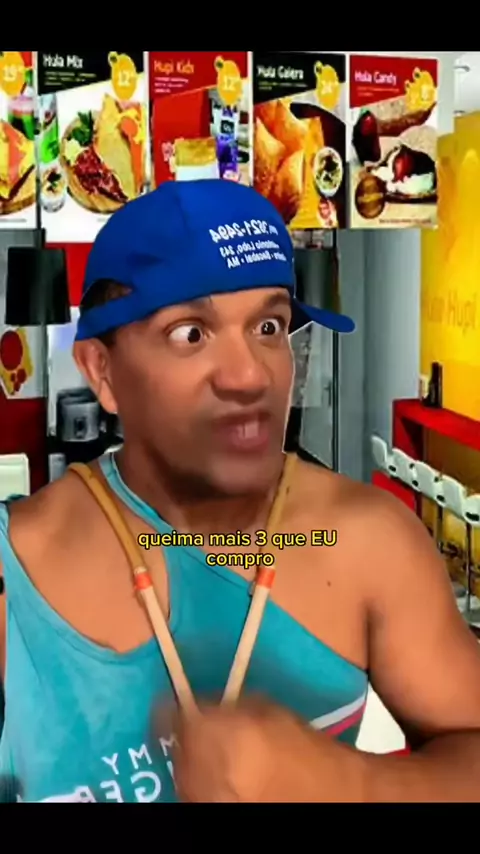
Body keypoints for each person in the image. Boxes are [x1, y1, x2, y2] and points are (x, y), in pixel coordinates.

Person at [1, 180, 480, 804]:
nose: (250, 375)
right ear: (102, 371)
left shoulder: (371, 541)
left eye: (269, 326)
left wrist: (350, 782)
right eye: (190, 334)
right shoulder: (15, 575)